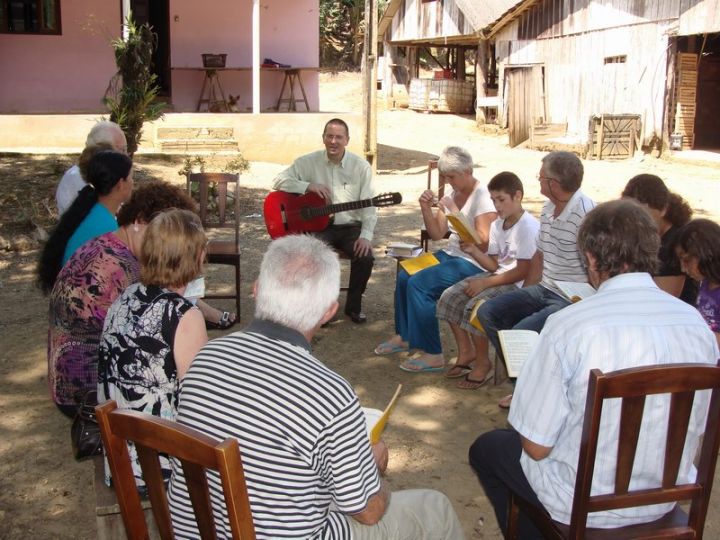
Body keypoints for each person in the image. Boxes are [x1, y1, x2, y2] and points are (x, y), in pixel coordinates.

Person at [168, 235, 465, 540]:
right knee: (434, 506)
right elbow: (368, 511)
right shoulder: (329, 393)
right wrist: (373, 471)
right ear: (329, 312)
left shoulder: (206, 357)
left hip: (202, 529)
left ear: (256, 289)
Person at [468, 200, 719, 538]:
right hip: (662, 497)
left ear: (590, 259)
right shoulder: (697, 326)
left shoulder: (568, 327)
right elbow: (699, 426)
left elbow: (536, 446)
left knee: (489, 449)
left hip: (585, 504)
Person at [47, 182, 197, 417]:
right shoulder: (125, 268)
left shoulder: (104, 244)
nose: (164, 244)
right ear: (138, 222)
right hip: (89, 390)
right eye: (161, 232)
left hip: (64, 378)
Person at [98, 209, 209, 490]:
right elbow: (199, 400)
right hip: (158, 465)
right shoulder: (183, 314)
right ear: (196, 257)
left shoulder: (126, 296)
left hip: (121, 456)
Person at [474, 151, 594, 407]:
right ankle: (527, 382)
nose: (538, 182)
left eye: (541, 178)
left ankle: (528, 391)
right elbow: (539, 254)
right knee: (489, 313)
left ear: (554, 184)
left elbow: (596, 266)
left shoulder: (586, 215)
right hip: (545, 288)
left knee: (520, 333)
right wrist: (526, 294)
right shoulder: (549, 207)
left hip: (571, 298)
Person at [374, 146, 497, 373]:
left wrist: (455, 213)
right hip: (451, 254)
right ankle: (405, 335)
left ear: (468, 171)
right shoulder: (452, 195)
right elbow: (437, 234)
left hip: (474, 261)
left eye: (452, 177)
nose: (449, 182)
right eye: (446, 177)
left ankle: (433, 353)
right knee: (405, 274)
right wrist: (425, 208)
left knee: (420, 285)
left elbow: (484, 243)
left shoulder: (484, 197)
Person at [436, 172, 539, 389]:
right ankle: (467, 352)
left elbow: (522, 272)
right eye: (493, 200)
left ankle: (483, 364)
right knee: (449, 296)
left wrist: (485, 283)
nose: (497, 206)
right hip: (498, 275)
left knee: (476, 306)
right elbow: (493, 264)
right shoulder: (497, 225)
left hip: (516, 284)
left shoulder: (528, 226)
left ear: (517, 196)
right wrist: (473, 250)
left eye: (501, 200)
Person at [272, 118, 375, 323]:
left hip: (350, 227)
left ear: (347, 140)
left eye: (339, 137)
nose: (334, 141)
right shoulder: (307, 162)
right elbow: (277, 180)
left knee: (366, 257)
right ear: (323, 138)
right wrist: (307, 186)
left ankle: (353, 306)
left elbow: (369, 205)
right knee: (312, 256)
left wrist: (366, 235)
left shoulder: (361, 167)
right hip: (319, 227)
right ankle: (320, 309)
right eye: (330, 136)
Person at [37, 150, 134, 294]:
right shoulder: (107, 227)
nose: (133, 183)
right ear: (120, 184)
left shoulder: (89, 211)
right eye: (132, 177)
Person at [622, 173, 697, 303]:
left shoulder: (677, 244)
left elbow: (664, 299)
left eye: (644, 215)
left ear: (663, 209)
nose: (636, 222)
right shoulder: (648, 235)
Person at [56, 120, 128, 215]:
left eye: (126, 149)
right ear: (102, 150)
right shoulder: (80, 177)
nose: (126, 155)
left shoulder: (103, 173)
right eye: (122, 150)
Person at [676, 218, 720, 347]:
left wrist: (692, 333)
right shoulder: (704, 282)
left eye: (686, 260)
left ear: (707, 254)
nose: (682, 268)